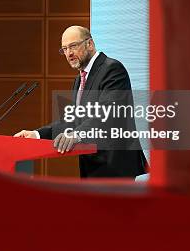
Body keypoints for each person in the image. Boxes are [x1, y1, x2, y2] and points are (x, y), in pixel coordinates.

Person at [14, 26, 147, 178]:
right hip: (92, 165)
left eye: (73, 46)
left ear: (90, 44)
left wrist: (76, 134)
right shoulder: (80, 79)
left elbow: (109, 115)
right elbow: (73, 121)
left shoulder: (112, 69)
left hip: (115, 165)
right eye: (64, 49)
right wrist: (37, 134)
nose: (69, 53)